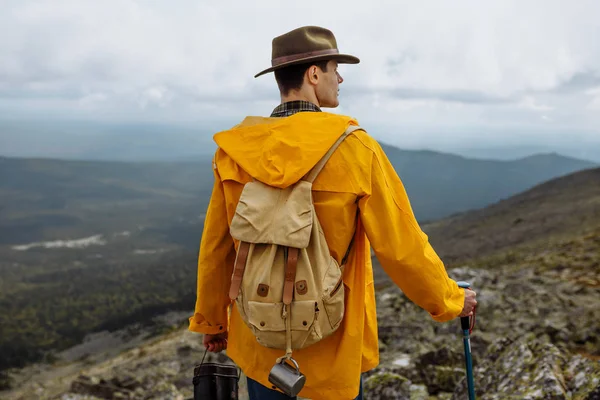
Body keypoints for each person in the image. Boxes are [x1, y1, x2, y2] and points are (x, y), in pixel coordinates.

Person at [189, 25, 477, 400]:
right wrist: (451, 299)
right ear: (313, 74)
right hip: (330, 343)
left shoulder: (234, 152)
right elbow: (401, 246)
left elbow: (218, 246)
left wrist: (212, 320)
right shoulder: (356, 148)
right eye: (333, 68)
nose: (339, 78)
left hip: (259, 339)